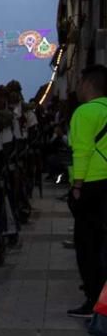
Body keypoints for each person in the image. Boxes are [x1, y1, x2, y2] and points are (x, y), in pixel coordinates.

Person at [66, 64, 107, 318]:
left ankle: (94, 301)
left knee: (87, 246)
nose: (77, 88)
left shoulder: (84, 113)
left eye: (80, 83)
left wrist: (77, 185)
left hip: (91, 184)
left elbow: (81, 151)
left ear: (89, 85)